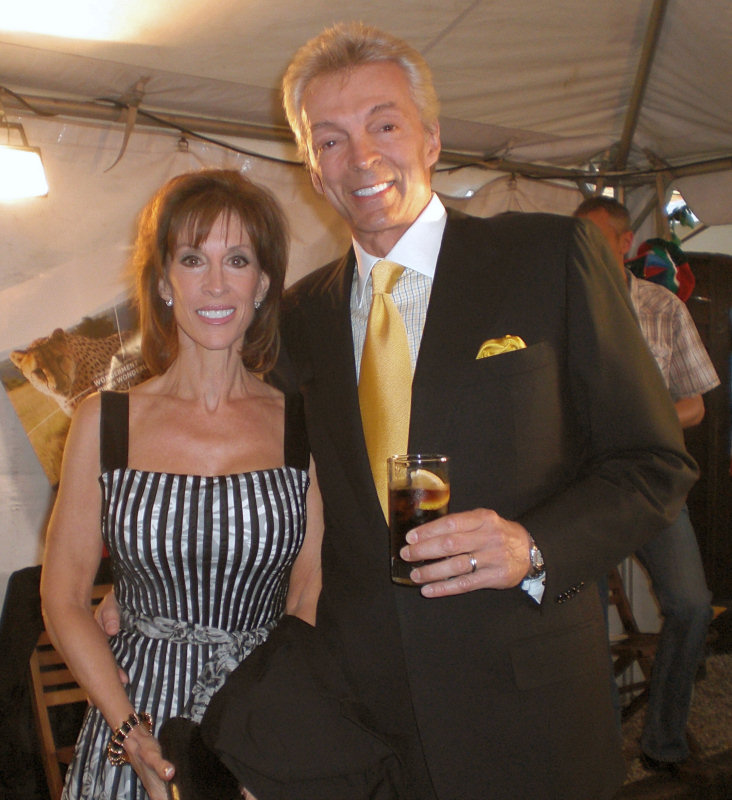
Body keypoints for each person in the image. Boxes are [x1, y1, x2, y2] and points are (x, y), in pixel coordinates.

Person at [41, 169, 323, 800]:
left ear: (263, 284)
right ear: (165, 282)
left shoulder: (301, 427)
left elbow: (310, 590)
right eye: (194, 259)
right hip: (133, 721)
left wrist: (272, 732)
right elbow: (63, 598)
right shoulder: (104, 421)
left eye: (238, 260)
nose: (216, 284)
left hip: (261, 724)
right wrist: (129, 731)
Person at [574, 196, 719, 782]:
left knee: (691, 605)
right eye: (577, 239)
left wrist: (643, 422)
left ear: (624, 243)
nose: (584, 250)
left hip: (654, 483)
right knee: (581, 621)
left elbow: (695, 405)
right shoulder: (564, 309)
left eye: (594, 238)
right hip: (586, 489)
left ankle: (663, 737)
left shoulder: (662, 306)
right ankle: (602, 748)